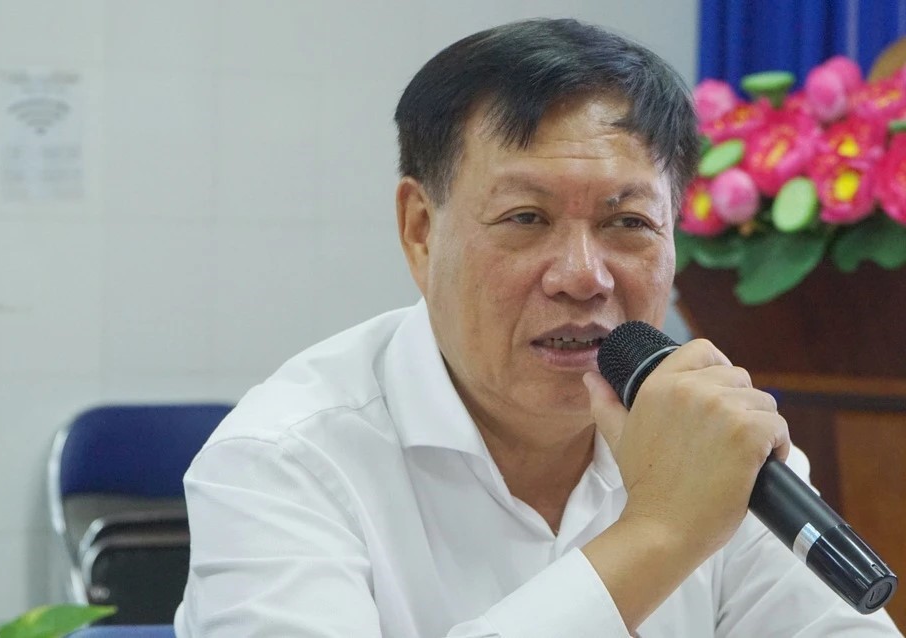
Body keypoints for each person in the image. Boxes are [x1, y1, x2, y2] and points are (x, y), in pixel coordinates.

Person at [174, 19, 900, 637]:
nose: (583, 276)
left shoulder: (710, 432)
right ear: (421, 230)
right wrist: (660, 533)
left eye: (629, 222)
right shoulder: (280, 462)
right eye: (526, 218)